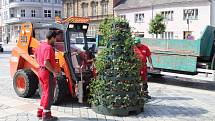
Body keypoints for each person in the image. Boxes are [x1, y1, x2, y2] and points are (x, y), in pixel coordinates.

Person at [35, 31, 60, 120]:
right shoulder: (48, 48)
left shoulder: (40, 46)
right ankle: (46, 115)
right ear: (52, 38)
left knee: (45, 93)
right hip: (47, 73)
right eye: (55, 38)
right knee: (49, 94)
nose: (56, 40)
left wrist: (40, 64)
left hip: (41, 71)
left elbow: (35, 56)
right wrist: (53, 71)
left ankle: (40, 112)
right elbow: (46, 62)